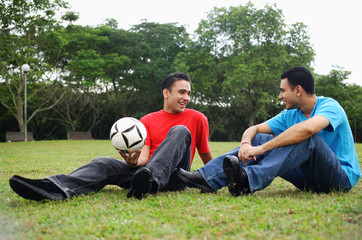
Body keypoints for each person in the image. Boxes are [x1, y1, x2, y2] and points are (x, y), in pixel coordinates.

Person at [9, 72, 213, 201]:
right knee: (103, 162)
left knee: (180, 131)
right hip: (142, 176)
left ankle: (149, 180)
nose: (186, 98)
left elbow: (205, 154)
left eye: (189, 93)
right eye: (182, 92)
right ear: (166, 93)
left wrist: (215, 178)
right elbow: (145, 155)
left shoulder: (197, 118)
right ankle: (55, 188)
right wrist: (133, 162)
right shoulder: (147, 120)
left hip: (174, 177)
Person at [176, 66, 360, 196]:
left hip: (338, 179)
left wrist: (261, 149)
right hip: (307, 179)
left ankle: (246, 181)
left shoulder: (330, 106)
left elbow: (308, 129)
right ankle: (207, 178)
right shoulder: (291, 114)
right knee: (260, 137)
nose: (280, 96)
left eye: (282, 91)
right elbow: (253, 129)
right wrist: (246, 144)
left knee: (306, 138)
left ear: (298, 90)